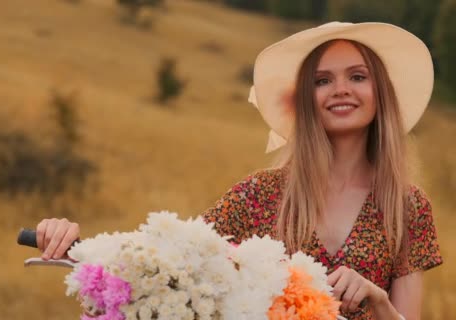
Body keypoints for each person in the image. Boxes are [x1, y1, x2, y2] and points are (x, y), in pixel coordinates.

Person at [33, 22, 442, 320]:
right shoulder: (258, 195)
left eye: (357, 76)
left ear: (380, 94)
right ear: (305, 99)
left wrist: (379, 302)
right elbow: (166, 264)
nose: (341, 89)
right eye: (322, 80)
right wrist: (74, 246)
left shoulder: (407, 207)